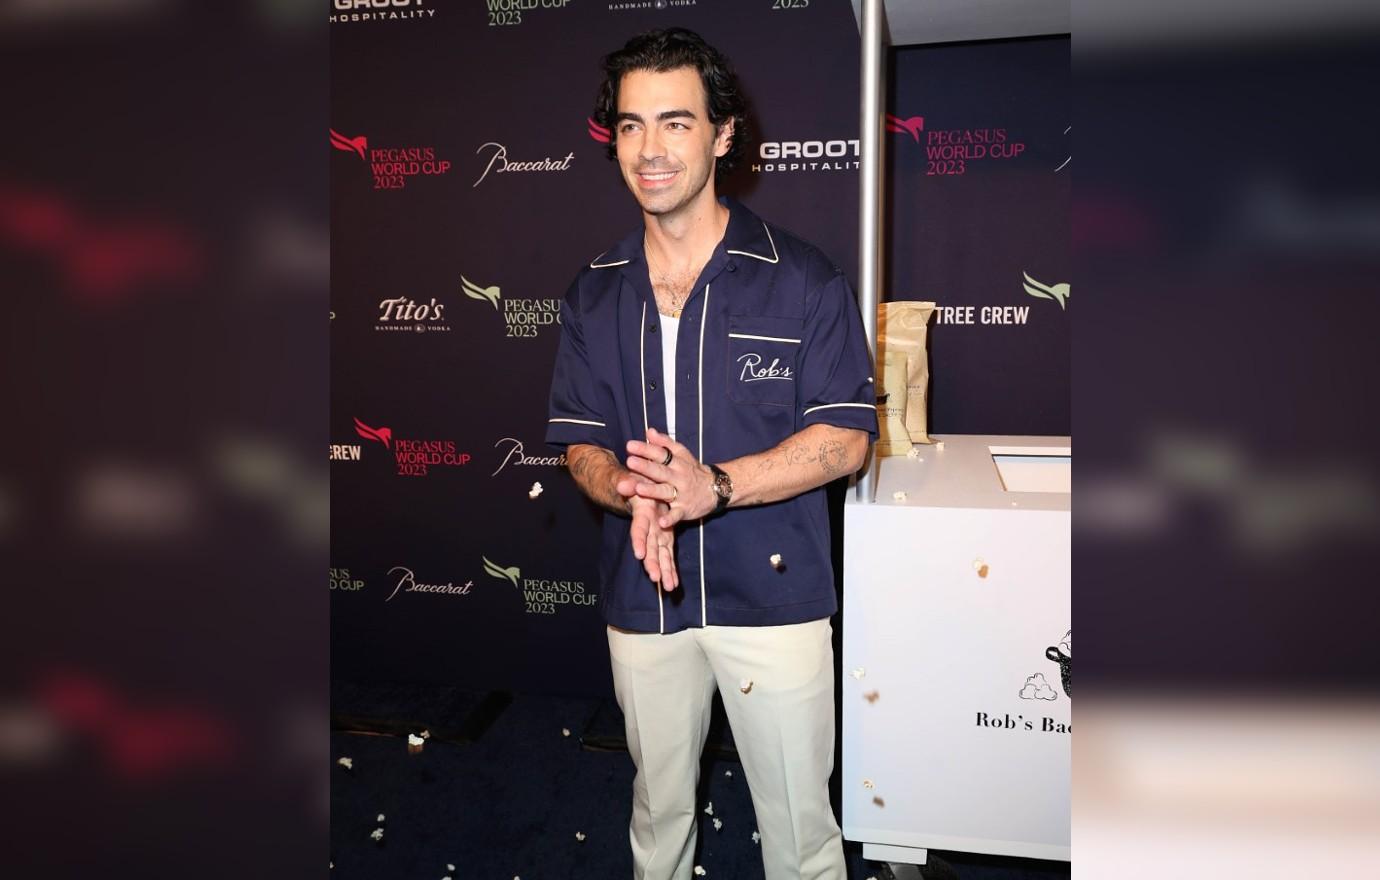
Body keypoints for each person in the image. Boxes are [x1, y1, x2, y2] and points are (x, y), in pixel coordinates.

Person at [545, 27, 877, 880]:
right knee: (658, 818)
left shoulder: (803, 278)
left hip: (775, 598)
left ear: (723, 134)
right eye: (629, 125)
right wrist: (630, 489)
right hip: (642, 597)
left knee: (802, 835)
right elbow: (579, 441)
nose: (650, 150)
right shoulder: (593, 290)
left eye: (676, 122)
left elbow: (845, 439)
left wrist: (713, 487)